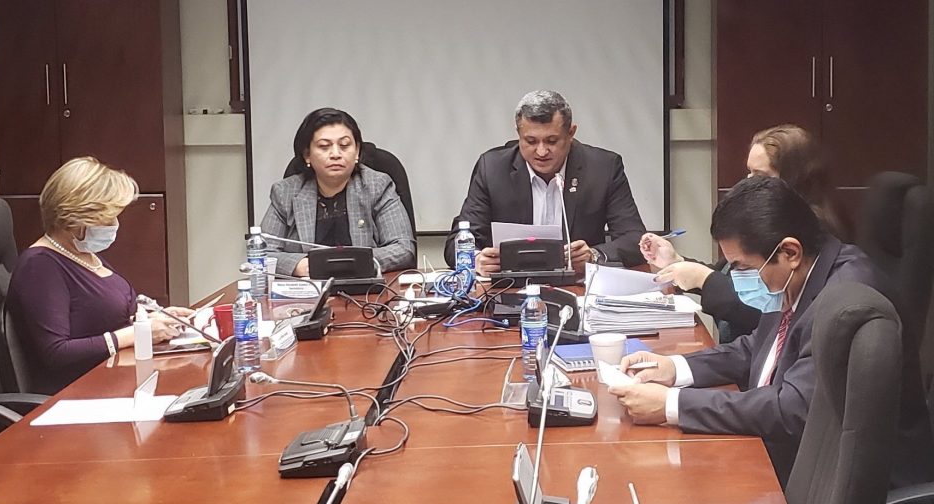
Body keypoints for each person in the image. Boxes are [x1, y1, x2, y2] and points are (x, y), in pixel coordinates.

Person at [610, 177, 934, 504]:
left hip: (850, 488)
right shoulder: (801, 274)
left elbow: (792, 408)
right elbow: (757, 348)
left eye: (742, 267)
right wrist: (675, 368)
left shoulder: (846, 300)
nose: (737, 278)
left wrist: (671, 404)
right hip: (794, 454)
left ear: (789, 251)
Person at [641, 124, 848, 342]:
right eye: (749, 172)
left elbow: (767, 310)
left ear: (794, 178)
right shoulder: (766, 219)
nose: (748, 183)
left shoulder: (809, 232)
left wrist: (703, 279)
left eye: (760, 175)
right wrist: (677, 262)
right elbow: (735, 275)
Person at [6, 157, 190, 395]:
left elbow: (100, 317)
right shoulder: (40, 266)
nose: (114, 224)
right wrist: (137, 334)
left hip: (117, 380)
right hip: (80, 396)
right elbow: (56, 352)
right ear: (76, 217)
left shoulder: (83, 254)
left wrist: (153, 319)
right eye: (107, 217)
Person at [444, 90, 646, 274]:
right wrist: (477, 259)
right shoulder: (493, 168)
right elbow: (457, 241)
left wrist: (593, 255)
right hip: (509, 286)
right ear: (518, 134)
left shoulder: (603, 168)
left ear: (571, 133)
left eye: (551, 141)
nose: (541, 152)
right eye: (531, 141)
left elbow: (635, 240)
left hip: (578, 287)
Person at [260, 108, 416, 276]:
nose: (335, 154)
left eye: (344, 145)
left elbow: (404, 248)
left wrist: (352, 262)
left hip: (366, 288)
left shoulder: (377, 186)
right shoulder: (285, 193)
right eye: (324, 146)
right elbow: (262, 254)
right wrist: (301, 266)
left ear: (357, 151)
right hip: (307, 288)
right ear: (307, 155)